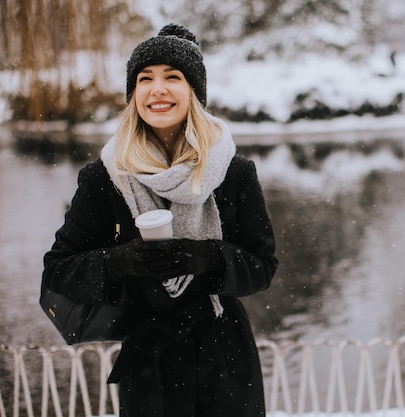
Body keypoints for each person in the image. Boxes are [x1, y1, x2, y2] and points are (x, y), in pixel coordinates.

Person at [41, 24, 278, 417]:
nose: (158, 89)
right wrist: (120, 261)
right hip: (149, 361)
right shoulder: (105, 177)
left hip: (225, 357)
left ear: (195, 93)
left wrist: (211, 258)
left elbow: (263, 268)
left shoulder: (233, 173)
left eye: (173, 77)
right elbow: (58, 272)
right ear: (134, 95)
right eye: (145, 79)